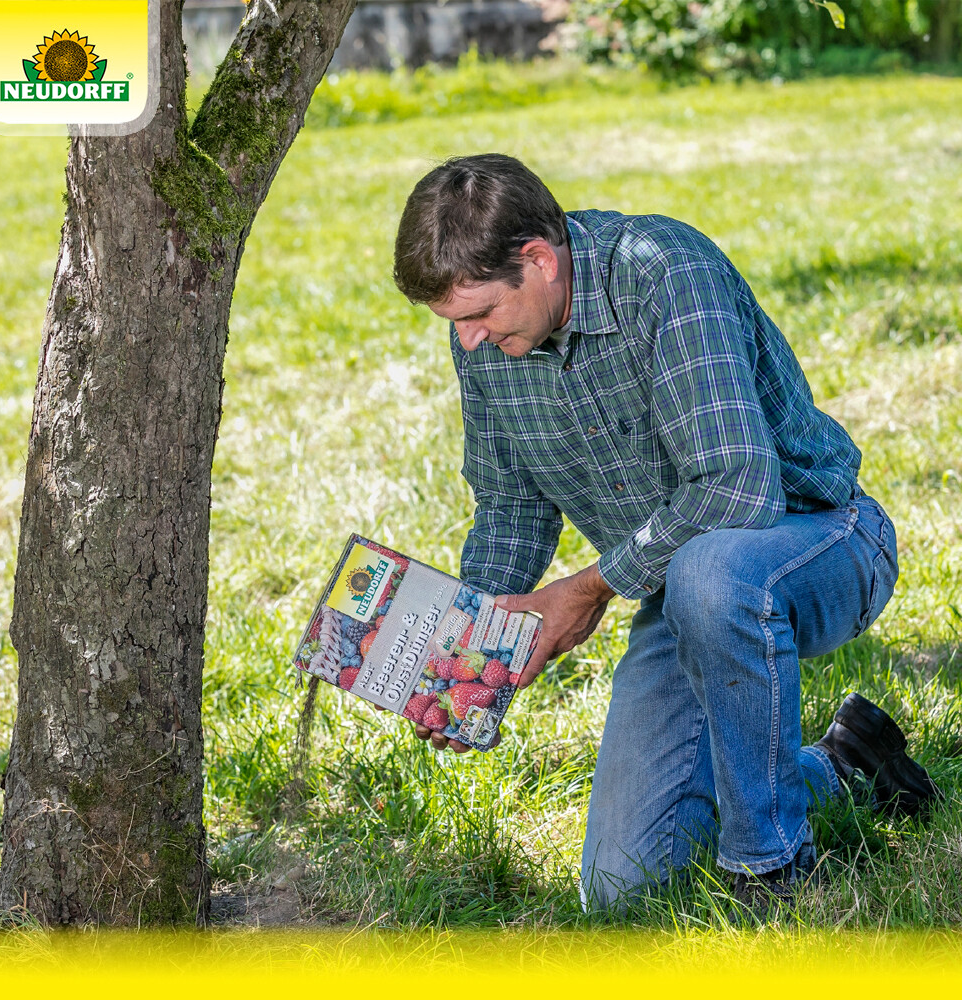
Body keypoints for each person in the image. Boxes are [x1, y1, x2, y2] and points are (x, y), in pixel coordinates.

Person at [391, 153, 940, 916]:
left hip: (821, 539)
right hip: (680, 587)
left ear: (539, 260)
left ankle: (772, 869)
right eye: (455, 323)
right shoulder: (484, 343)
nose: (471, 340)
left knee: (711, 576)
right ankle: (848, 763)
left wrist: (588, 590)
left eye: (479, 313)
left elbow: (737, 487)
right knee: (623, 889)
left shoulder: (664, 273)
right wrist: (473, 653)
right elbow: (511, 506)